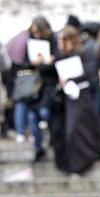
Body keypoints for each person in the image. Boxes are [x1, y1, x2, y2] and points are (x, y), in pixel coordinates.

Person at [52, 26, 100, 174]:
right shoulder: (62, 55)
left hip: (81, 95)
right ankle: (78, 161)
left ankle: (86, 156)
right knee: (75, 128)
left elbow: (88, 72)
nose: (59, 43)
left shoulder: (82, 53)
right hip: (68, 97)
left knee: (78, 127)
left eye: (62, 39)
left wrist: (69, 78)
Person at [14, 16, 59, 161]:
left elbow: (56, 63)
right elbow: (25, 65)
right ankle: (38, 149)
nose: (37, 35)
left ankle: (54, 138)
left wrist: (44, 63)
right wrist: (34, 62)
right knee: (32, 117)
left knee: (45, 113)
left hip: (48, 85)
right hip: (35, 87)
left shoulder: (53, 40)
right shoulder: (30, 42)